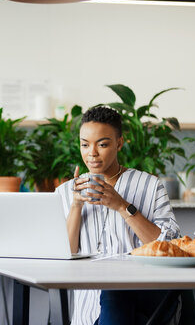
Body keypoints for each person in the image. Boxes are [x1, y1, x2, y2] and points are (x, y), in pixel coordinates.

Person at [55, 106, 181, 325]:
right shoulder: (65, 192)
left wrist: (122, 206)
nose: (91, 153)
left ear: (119, 144)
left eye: (102, 144)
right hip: (85, 312)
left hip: (141, 307)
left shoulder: (149, 186)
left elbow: (170, 248)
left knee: (116, 289)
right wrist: (76, 206)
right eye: (85, 145)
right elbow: (61, 255)